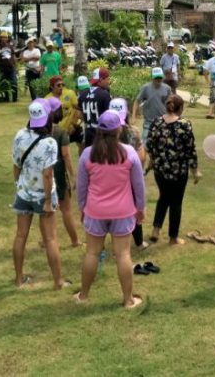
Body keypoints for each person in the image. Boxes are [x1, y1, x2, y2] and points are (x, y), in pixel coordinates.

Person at [74, 110, 146, 309]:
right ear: (118, 130)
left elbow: (81, 186)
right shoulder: (129, 153)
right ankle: (128, 299)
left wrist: (82, 207)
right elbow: (139, 186)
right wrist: (141, 208)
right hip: (123, 212)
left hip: (95, 211)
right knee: (123, 255)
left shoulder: (88, 153)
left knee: (92, 253)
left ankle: (83, 295)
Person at [11, 99, 67, 289]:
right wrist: (48, 203)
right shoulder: (49, 142)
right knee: (50, 239)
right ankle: (58, 281)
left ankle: (19, 279)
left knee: (20, 236)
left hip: (23, 193)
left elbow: (16, 165)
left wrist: (17, 185)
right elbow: (47, 174)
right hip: (43, 196)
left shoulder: (19, 135)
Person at [145, 94, 198, 245]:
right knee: (176, 202)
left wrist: (152, 161)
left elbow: (149, 145)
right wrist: (195, 171)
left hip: (160, 171)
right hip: (178, 172)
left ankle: (156, 229)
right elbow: (190, 150)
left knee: (163, 197)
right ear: (180, 108)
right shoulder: (185, 124)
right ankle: (173, 238)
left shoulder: (156, 122)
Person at [109, 97, 148, 249]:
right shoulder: (134, 132)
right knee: (134, 209)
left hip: (109, 177)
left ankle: (109, 239)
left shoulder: (102, 132)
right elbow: (141, 157)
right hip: (129, 177)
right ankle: (139, 242)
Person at [46, 97, 81, 248]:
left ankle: (45, 240)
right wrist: (73, 176)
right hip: (58, 172)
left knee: (46, 210)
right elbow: (66, 155)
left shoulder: (39, 130)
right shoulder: (61, 132)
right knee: (66, 208)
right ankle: (75, 240)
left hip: (43, 173)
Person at [131, 67, 171, 143]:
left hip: (163, 122)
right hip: (148, 123)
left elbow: (171, 103)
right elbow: (137, 101)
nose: (158, 80)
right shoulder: (145, 88)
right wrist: (133, 116)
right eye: (156, 78)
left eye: (160, 77)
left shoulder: (167, 88)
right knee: (144, 145)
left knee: (162, 145)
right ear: (152, 78)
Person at [78, 67, 112, 148]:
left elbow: (79, 114)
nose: (108, 82)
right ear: (100, 80)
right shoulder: (104, 95)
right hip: (101, 134)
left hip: (88, 133)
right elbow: (109, 117)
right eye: (107, 79)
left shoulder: (83, 94)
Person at [46, 75, 82, 149]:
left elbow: (78, 109)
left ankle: (82, 160)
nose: (61, 87)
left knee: (83, 143)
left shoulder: (70, 93)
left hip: (72, 127)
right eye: (58, 85)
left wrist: (74, 124)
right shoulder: (47, 99)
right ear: (52, 87)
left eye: (62, 84)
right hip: (56, 131)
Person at [0, 32, 18, 103]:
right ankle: (6, 99)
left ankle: (14, 98)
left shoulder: (10, 46)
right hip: (2, 68)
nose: (4, 39)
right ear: (0, 38)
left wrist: (15, 65)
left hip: (11, 68)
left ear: (7, 38)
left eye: (5, 37)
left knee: (14, 83)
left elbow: (13, 56)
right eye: (2, 37)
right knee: (4, 84)